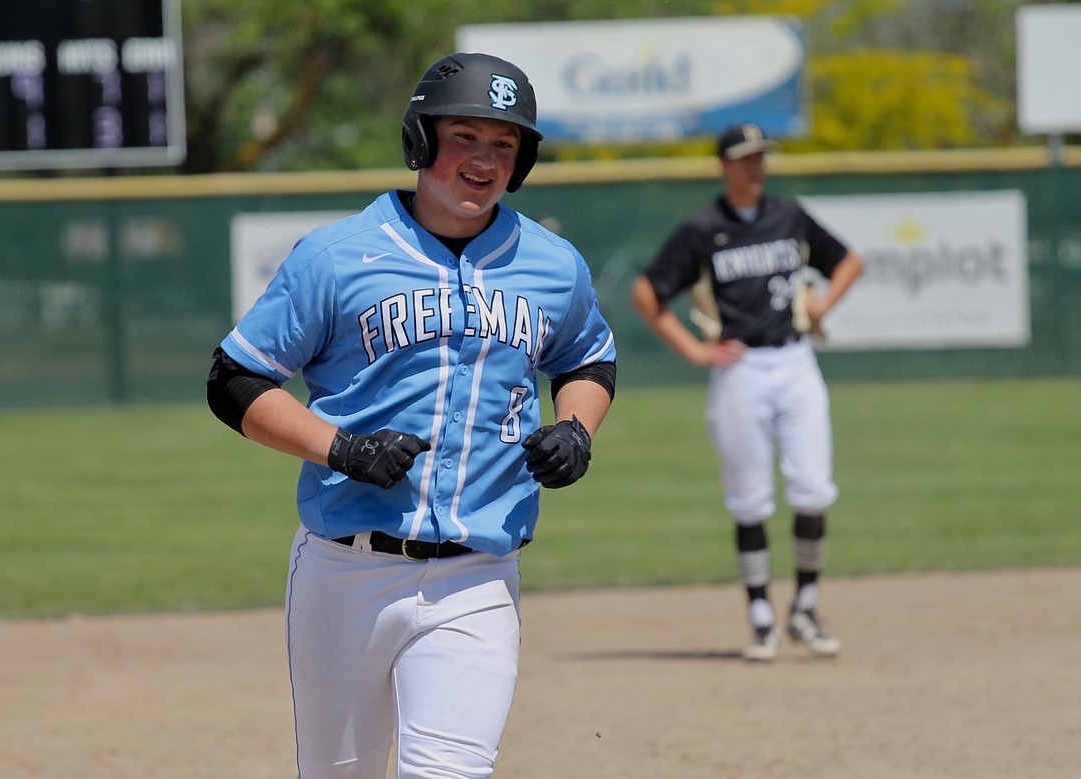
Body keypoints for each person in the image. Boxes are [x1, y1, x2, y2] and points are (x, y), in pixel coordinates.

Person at [206, 52, 616, 777]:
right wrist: (343, 448)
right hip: (346, 568)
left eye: (504, 144)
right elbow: (235, 380)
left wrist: (577, 428)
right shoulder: (335, 256)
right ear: (421, 140)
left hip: (480, 574)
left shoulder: (553, 264)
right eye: (465, 136)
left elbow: (586, 359)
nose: (484, 160)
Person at [631, 122, 862, 662]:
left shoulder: (790, 216)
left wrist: (823, 306)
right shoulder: (702, 229)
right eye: (745, 159)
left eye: (761, 157)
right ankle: (761, 617)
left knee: (811, 487)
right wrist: (693, 351)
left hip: (795, 361)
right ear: (724, 167)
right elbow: (647, 293)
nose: (756, 167)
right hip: (740, 371)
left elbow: (849, 261)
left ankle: (804, 606)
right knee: (750, 497)